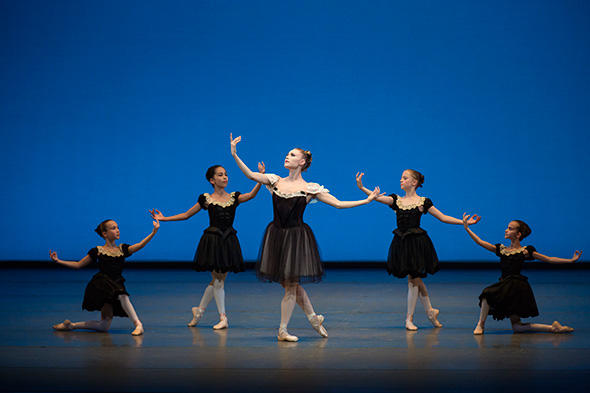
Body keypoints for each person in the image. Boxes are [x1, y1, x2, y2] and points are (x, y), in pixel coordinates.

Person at [230, 133, 382, 341]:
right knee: (289, 283)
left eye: (292, 155)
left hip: (295, 238)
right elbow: (250, 175)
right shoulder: (275, 180)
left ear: (301, 162)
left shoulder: (310, 188)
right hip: (276, 236)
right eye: (287, 154)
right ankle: (313, 318)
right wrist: (235, 154)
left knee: (291, 285)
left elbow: (338, 203)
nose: (286, 157)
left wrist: (366, 201)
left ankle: (282, 330)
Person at [356, 170, 480, 330]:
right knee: (416, 278)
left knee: (413, 279)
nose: (401, 180)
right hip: (402, 243)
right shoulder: (396, 200)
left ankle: (409, 319)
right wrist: (362, 187)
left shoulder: (423, 202)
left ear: (414, 182)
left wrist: (464, 223)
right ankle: (430, 311)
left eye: (405, 178)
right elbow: (377, 197)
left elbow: (442, 217)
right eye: (401, 177)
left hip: (417, 244)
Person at [150, 163, 264, 329]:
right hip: (212, 241)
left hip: (228, 240)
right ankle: (223, 318)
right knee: (218, 280)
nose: (224, 177)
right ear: (212, 180)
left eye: (225, 174)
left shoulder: (234, 197)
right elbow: (187, 214)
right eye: (220, 175)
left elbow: (251, 195)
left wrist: (260, 178)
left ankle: (199, 311)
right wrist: (165, 218)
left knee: (218, 280)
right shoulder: (206, 199)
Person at [462, 214, 581, 334]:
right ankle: (552, 328)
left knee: (487, 294)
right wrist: (467, 228)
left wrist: (570, 260)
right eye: (507, 227)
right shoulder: (502, 250)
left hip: (515, 286)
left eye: (510, 228)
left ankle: (480, 325)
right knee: (517, 327)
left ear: (518, 234)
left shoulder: (525, 251)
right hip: (505, 285)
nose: (506, 230)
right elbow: (480, 242)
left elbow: (548, 259)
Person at [50, 217, 159, 335]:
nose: (117, 230)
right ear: (105, 234)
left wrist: (154, 232)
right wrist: (58, 261)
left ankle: (71, 325)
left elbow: (140, 245)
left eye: (118, 227)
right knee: (122, 295)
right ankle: (138, 324)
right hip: (103, 285)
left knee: (104, 325)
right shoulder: (98, 250)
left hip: (117, 283)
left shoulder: (122, 249)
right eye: (113, 228)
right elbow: (78, 265)